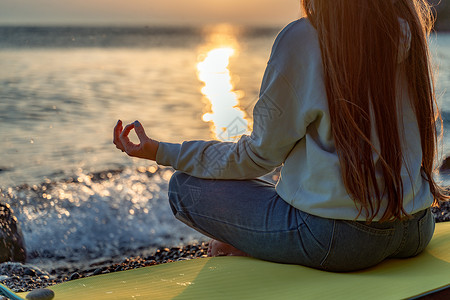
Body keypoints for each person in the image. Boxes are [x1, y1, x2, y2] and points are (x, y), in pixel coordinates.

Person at [113, 0, 449, 271]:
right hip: (415, 227)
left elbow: (257, 157)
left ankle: (250, 245)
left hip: (340, 242)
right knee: (281, 180)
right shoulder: (408, 30)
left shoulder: (304, 39)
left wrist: (162, 151)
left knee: (184, 188)